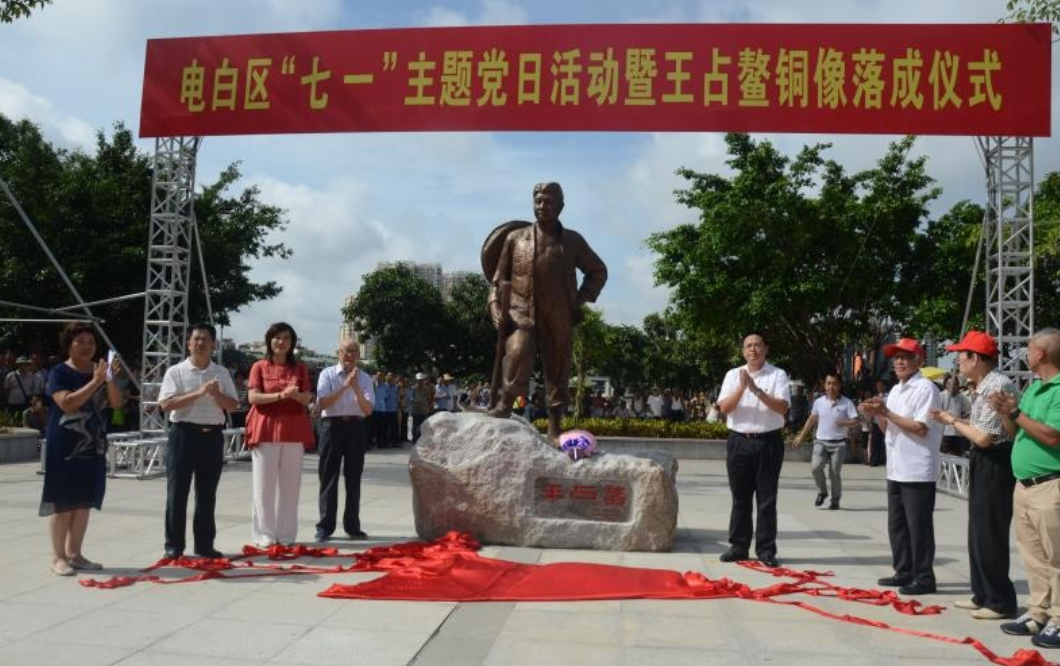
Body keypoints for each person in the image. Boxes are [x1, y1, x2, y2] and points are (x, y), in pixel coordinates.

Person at [486, 182, 608, 441]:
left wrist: (581, 298)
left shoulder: (572, 241)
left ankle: (554, 427)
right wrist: (495, 305)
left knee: (558, 369)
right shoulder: (515, 238)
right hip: (521, 312)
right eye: (538, 201)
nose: (542, 206)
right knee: (517, 351)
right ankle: (504, 405)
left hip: (558, 314)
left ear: (561, 207)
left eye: (549, 202)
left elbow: (598, 271)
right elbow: (498, 280)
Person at [931, 331, 1018, 620]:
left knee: (990, 532)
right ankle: (981, 593)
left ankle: (999, 601)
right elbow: (980, 426)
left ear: (976, 358)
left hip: (994, 461)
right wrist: (955, 420)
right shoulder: (982, 386)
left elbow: (984, 438)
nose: (957, 361)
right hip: (982, 460)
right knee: (977, 531)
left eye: (961, 356)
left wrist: (952, 421)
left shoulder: (998, 386)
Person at [986, 328, 1060, 647]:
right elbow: (1016, 432)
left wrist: (1015, 412)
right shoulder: (1034, 388)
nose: (1026, 354)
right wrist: (1006, 414)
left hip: (1050, 485)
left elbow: (1052, 436)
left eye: (1029, 349)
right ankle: (1039, 612)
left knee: (1056, 556)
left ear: (1041, 353)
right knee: (1033, 555)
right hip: (1025, 486)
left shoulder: (1058, 390)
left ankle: (1059, 618)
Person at [859, 338, 942, 596]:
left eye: (905, 357)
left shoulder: (926, 389)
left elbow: (920, 427)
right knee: (897, 525)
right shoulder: (895, 390)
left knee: (918, 527)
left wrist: (887, 413)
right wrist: (877, 414)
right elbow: (888, 427)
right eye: (896, 358)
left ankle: (924, 577)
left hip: (917, 469)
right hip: (896, 467)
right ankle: (903, 571)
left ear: (919, 360)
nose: (899, 362)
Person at [39, 322, 122, 576]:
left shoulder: (100, 372)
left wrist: (108, 380)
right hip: (64, 445)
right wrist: (96, 382)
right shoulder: (59, 372)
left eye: (91, 342)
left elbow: (116, 403)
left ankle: (75, 553)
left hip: (93, 445)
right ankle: (58, 557)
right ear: (69, 345)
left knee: (83, 502)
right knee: (63, 502)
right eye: (80, 342)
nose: (87, 346)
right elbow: (67, 403)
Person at [157, 323, 238, 560]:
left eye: (206, 340)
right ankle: (174, 546)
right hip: (183, 434)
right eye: (196, 339)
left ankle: (204, 545)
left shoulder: (221, 373)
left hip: (212, 437)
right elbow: (166, 405)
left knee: (207, 495)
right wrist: (199, 393)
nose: (201, 343)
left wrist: (216, 394)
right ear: (188, 344)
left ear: (214, 344)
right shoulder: (176, 371)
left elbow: (233, 406)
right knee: (177, 493)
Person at [717, 332, 790, 568]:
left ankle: (766, 550)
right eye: (748, 346)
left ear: (766, 349)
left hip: (768, 442)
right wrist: (742, 387)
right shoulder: (732, 375)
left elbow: (782, 408)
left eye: (757, 345)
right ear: (743, 351)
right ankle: (738, 546)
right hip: (739, 441)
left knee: (767, 499)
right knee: (740, 498)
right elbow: (725, 408)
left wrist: (756, 389)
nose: (753, 350)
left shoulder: (777, 375)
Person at [244, 322, 315, 548]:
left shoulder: (300, 368)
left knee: (290, 487)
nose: (281, 342)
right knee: (263, 486)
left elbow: (307, 398)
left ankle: (286, 534)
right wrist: (281, 395)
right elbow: (253, 398)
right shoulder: (259, 367)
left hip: (293, 430)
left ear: (292, 343)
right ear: (269, 340)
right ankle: (264, 534)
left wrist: (294, 395)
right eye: (276, 337)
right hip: (265, 430)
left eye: (286, 338)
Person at [314, 340, 375, 542]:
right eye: (346, 351)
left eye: (354, 351)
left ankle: (352, 526)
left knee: (354, 478)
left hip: (356, 427)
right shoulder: (327, 374)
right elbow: (323, 403)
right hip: (332, 426)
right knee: (328, 477)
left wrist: (355, 388)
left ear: (358, 354)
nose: (350, 355)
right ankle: (325, 526)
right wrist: (344, 386)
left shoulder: (365, 378)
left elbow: (368, 409)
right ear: (338, 353)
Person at [792, 373, 860, 510]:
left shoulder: (847, 403)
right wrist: (801, 437)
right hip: (821, 442)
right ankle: (822, 492)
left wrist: (844, 422)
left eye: (834, 384)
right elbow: (811, 420)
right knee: (815, 468)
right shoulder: (819, 402)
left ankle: (835, 500)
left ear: (839, 385)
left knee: (834, 473)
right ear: (824, 385)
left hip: (839, 443)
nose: (831, 387)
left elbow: (856, 421)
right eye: (828, 383)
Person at [939, 375, 972, 455]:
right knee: (944, 455)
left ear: (958, 385)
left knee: (958, 455)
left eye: (955, 384)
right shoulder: (941, 395)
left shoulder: (962, 397)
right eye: (949, 384)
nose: (952, 386)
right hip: (944, 432)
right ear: (945, 384)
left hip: (958, 432)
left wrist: (963, 419)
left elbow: (968, 411)